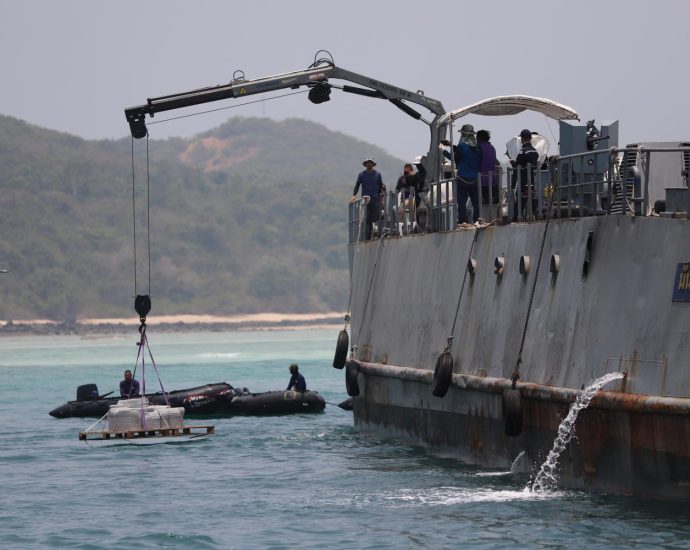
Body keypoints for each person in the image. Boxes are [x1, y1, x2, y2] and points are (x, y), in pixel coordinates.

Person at [441, 124, 480, 224]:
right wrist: (450, 144)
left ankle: (463, 220)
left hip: (463, 179)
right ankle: (477, 220)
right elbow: (464, 152)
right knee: (476, 202)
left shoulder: (462, 146)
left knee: (461, 202)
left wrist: (443, 151)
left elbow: (456, 158)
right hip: (475, 179)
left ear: (463, 134)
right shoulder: (476, 147)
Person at [352, 158, 385, 240]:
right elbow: (357, 185)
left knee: (374, 217)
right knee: (365, 217)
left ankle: (374, 234)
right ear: (365, 164)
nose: (369, 164)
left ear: (373, 164)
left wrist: (383, 196)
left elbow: (381, 186)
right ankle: (366, 235)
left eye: (370, 163)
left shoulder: (377, 174)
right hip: (365, 199)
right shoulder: (362, 175)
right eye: (367, 163)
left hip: (375, 199)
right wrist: (354, 195)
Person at [511, 129, 540, 220]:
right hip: (532, 179)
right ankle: (536, 214)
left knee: (520, 197)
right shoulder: (534, 151)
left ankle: (517, 216)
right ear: (530, 138)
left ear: (522, 139)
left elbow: (518, 164)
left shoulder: (522, 151)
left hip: (523, 179)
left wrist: (513, 163)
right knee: (533, 198)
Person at [477, 130, 498, 205]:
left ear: (480, 138)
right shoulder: (492, 148)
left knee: (482, 202)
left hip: (482, 180)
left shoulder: (480, 148)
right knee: (489, 201)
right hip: (492, 180)